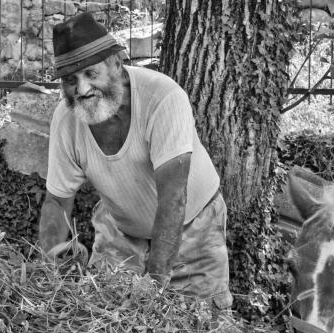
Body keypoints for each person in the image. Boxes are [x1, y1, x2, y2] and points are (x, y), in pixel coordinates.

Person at [38, 12, 233, 311]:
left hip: (194, 226)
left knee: (203, 331)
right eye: (70, 80)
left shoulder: (163, 97)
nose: (82, 89)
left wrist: (151, 288)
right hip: (121, 228)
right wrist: (48, 266)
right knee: (103, 323)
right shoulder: (66, 119)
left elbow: (172, 199)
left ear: (116, 63)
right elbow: (57, 200)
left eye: (91, 74)